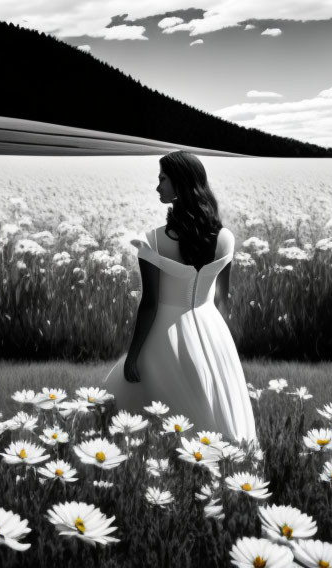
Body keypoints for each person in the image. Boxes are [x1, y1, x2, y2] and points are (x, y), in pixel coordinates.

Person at [102, 150, 258, 445]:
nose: (157, 186)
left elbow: (149, 303)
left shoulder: (153, 241)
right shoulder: (226, 238)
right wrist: (216, 338)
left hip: (166, 330)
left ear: (179, 184)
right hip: (212, 327)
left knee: (145, 408)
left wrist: (133, 356)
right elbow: (224, 297)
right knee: (212, 405)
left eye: (162, 179)